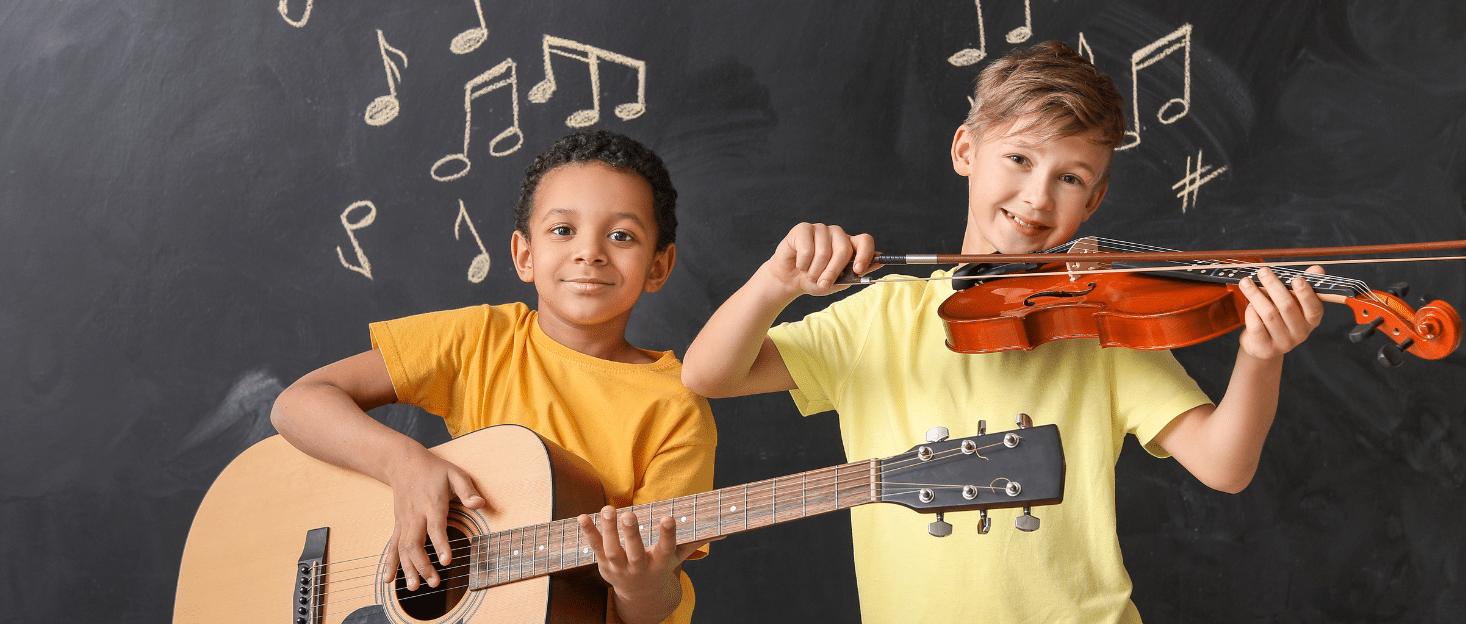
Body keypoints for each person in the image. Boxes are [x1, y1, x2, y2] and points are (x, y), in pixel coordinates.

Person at [680, 41, 1325, 623]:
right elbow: (709, 374)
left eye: (1069, 178)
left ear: (1093, 201)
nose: (1038, 198)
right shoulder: (878, 317)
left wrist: (1260, 356)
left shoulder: (1096, 325)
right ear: (965, 149)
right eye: (1018, 158)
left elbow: (1225, 466)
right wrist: (777, 283)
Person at [270, 130, 716, 624]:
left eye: (621, 236)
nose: (590, 253)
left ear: (659, 266)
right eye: (563, 230)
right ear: (524, 255)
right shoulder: (481, 339)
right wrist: (404, 465)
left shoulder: (676, 405)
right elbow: (298, 403)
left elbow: (654, 606)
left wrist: (640, 584)